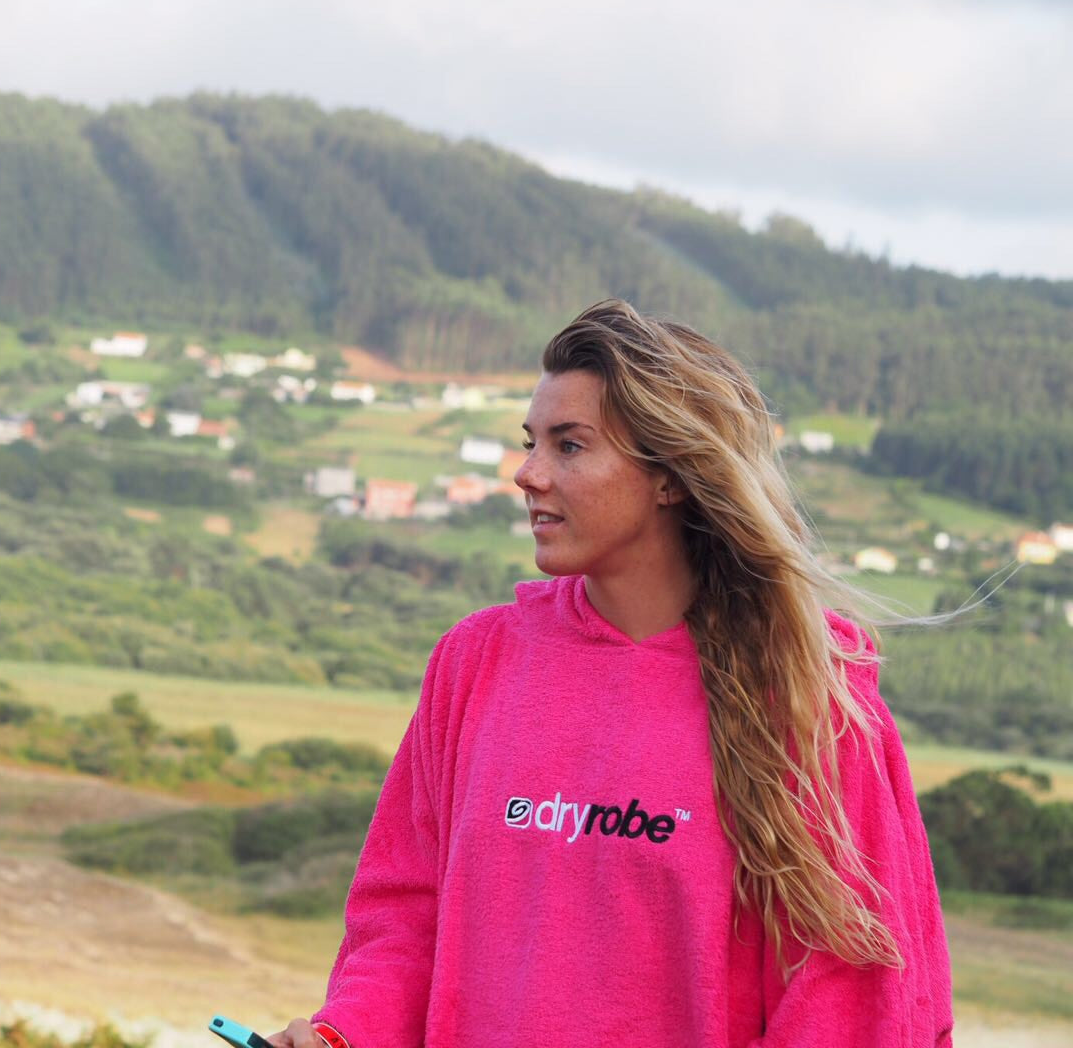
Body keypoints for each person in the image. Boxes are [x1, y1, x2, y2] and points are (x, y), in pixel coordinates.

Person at [268, 299, 952, 1048]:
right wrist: (343, 1035)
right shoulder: (476, 663)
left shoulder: (802, 695)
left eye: (570, 446)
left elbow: (852, 1003)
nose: (527, 475)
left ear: (671, 478)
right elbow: (403, 922)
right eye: (531, 443)